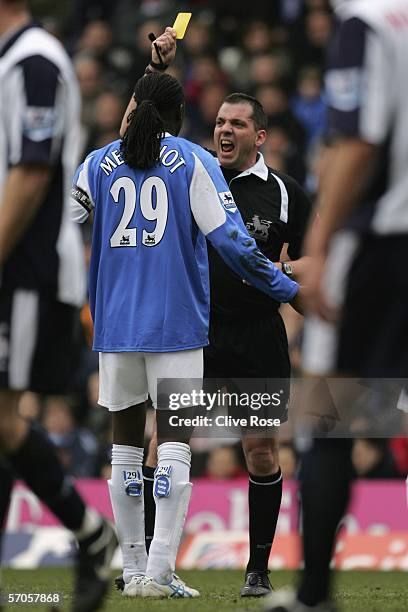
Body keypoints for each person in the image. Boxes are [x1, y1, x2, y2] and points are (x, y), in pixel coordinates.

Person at [71, 65, 303, 598]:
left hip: (113, 327)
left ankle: (129, 574)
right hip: (175, 326)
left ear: (134, 106)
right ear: (181, 115)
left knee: (126, 449)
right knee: (174, 443)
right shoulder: (194, 162)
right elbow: (235, 245)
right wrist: (289, 290)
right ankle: (157, 572)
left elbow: (65, 215)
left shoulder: (98, 163)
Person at [266, 0, 408, 610]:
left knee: (327, 414)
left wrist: (320, 242)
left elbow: (358, 140)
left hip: (379, 241)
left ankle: (314, 596)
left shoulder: (365, 25)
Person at [0, 2, 117, 611]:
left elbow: (30, 172)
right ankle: (94, 536)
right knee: (1, 423)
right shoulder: (13, 62)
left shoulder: (33, 61)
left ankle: (92, 535)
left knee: (2, 420)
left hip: (27, 271)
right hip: (16, 268)